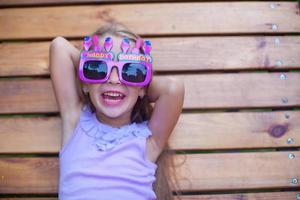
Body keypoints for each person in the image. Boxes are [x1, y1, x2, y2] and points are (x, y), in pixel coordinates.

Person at [49, 22, 184, 200]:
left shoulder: (149, 141)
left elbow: (173, 88)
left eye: (132, 70)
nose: (113, 79)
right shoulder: (74, 121)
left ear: (144, 87)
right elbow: (59, 46)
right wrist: (90, 70)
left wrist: (137, 84)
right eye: (98, 66)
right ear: (85, 83)